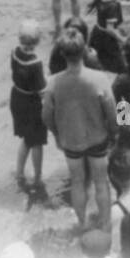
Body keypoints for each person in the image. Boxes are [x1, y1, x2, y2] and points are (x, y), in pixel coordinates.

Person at [42, 29, 117, 230]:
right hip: (98, 137)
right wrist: (114, 133)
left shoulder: (53, 83)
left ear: (62, 54)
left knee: (77, 182)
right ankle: (105, 223)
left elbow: (46, 116)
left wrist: (56, 134)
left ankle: (82, 223)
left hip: (70, 140)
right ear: (84, 51)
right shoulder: (100, 78)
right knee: (101, 182)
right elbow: (113, 109)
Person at [9, 20, 48, 193]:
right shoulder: (36, 62)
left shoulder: (14, 52)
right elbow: (41, 90)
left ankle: (19, 172)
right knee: (37, 142)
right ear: (38, 42)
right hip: (31, 104)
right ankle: (38, 177)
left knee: (26, 138)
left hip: (17, 97)